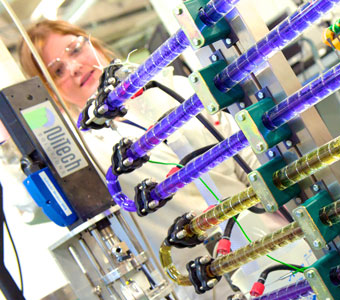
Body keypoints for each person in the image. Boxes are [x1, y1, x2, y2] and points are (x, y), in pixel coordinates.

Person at [18, 20, 288, 299]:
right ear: (52, 92)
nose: (74, 68)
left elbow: (249, 155)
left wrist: (288, 205)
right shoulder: (85, 156)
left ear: (93, 44)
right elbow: (30, 202)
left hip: (274, 241)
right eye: (57, 71)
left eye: (74, 49)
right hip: (206, 286)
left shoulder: (177, 89)